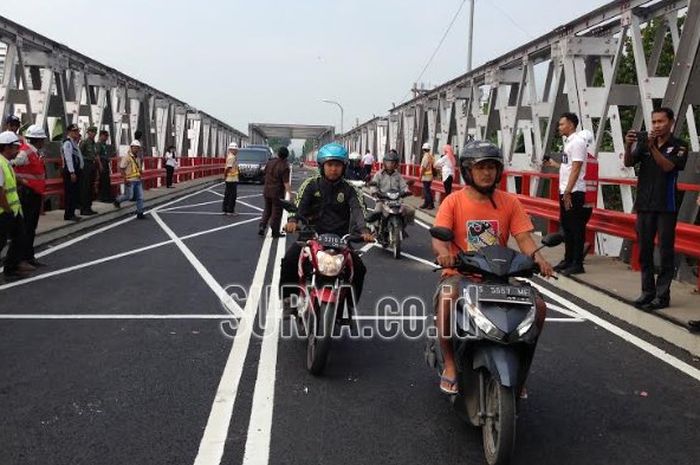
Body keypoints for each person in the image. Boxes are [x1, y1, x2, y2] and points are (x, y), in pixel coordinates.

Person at [432, 140, 554, 394]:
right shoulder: (453, 202)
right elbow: (439, 238)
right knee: (446, 298)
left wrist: (539, 259)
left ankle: (521, 371)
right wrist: (444, 255)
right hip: (461, 274)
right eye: (481, 167)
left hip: (499, 276)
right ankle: (451, 364)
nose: (487, 172)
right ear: (467, 170)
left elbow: (523, 238)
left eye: (492, 167)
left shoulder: (509, 202)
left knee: (539, 307)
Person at [281, 142, 373, 313]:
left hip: (340, 239)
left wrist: (365, 230)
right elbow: (299, 204)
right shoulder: (310, 185)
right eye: (330, 165)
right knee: (289, 260)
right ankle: (288, 299)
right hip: (310, 236)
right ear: (322, 166)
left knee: (359, 268)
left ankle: (350, 305)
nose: (333, 169)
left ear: (344, 167)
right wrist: (293, 221)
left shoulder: (350, 189)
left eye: (337, 165)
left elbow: (359, 210)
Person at [624, 107, 688, 311]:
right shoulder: (644, 143)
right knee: (644, 249)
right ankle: (647, 291)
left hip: (666, 205)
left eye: (661, 121)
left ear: (671, 122)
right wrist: (628, 146)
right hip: (644, 204)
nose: (657, 125)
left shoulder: (679, 145)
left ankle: (662, 296)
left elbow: (668, 167)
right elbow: (628, 162)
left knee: (666, 251)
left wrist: (652, 148)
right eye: (654, 122)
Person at [545, 113, 588, 276]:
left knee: (575, 228)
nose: (559, 127)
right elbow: (568, 166)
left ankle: (577, 263)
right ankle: (568, 259)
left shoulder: (577, 142)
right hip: (566, 190)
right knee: (567, 228)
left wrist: (568, 191)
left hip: (574, 191)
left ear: (571, 125)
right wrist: (554, 164)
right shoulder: (569, 142)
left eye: (562, 124)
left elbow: (576, 168)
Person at [0, 131, 35, 280]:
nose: (18, 151)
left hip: (13, 210)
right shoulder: (0, 164)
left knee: (20, 238)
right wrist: (7, 209)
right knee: (1, 242)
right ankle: (10, 269)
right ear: (7, 147)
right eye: (15, 147)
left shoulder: (6, 163)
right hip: (4, 211)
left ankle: (11, 268)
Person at [14, 124, 47, 267]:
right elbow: (11, 165)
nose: (44, 142)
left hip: (34, 192)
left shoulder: (33, 152)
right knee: (27, 227)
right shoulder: (25, 152)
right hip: (27, 193)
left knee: (31, 227)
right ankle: (23, 258)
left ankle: (28, 256)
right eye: (42, 139)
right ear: (38, 140)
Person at [369, 151, 415, 237]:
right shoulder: (379, 174)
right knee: (377, 211)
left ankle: (401, 228)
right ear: (384, 163)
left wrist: (407, 191)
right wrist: (374, 191)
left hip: (396, 200)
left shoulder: (398, 175)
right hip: (382, 199)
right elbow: (373, 185)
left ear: (396, 164)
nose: (390, 164)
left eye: (393, 162)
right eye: (388, 162)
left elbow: (404, 185)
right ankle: (374, 229)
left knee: (410, 211)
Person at [260, 146, 291, 237]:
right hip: (277, 192)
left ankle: (262, 226)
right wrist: (289, 193)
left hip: (267, 190)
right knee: (276, 212)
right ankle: (275, 231)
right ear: (286, 156)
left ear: (278, 153)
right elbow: (285, 182)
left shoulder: (270, 162)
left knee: (267, 210)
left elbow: (264, 173)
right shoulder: (285, 166)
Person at [113, 140, 146, 219]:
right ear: (131, 148)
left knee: (140, 197)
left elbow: (138, 168)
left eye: (138, 148)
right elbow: (122, 168)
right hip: (130, 180)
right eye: (135, 148)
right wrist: (125, 179)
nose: (136, 149)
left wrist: (140, 172)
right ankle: (117, 200)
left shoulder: (137, 158)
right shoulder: (126, 157)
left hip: (137, 180)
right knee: (129, 196)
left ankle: (140, 213)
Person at [61, 124, 84, 221]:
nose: (77, 133)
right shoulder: (68, 143)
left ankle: (72, 212)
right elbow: (68, 159)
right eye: (75, 131)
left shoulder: (73, 143)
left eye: (77, 131)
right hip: (70, 171)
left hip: (75, 171)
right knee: (70, 193)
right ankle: (69, 214)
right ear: (69, 132)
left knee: (74, 193)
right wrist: (72, 172)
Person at [78, 126, 100, 216]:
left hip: (92, 165)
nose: (93, 134)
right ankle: (84, 208)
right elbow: (80, 154)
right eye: (91, 132)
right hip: (86, 165)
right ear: (88, 132)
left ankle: (89, 207)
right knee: (85, 187)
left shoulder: (93, 143)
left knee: (91, 187)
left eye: (94, 132)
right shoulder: (84, 142)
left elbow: (95, 154)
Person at [96, 130, 114, 202]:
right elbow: (97, 155)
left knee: (107, 180)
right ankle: (103, 197)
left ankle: (108, 196)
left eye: (107, 136)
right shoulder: (98, 144)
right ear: (101, 136)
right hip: (102, 163)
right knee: (103, 180)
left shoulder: (104, 144)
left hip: (105, 162)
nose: (106, 138)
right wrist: (100, 164)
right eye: (105, 136)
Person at [222, 143, 239, 216]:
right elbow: (228, 168)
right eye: (235, 150)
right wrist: (225, 176)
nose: (236, 151)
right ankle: (230, 210)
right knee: (232, 195)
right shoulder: (232, 157)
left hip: (231, 178)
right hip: (231, 179)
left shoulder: (230, 156)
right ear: (231, 150)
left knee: (227, 194)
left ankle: (225, 209)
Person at [419, 142, 435, 210]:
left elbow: (424, 167)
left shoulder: (425, 157)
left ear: (423, 149)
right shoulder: (431, 156)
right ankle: (426, 204)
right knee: (427, 190)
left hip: (426, 176)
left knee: (426, 191)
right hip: (430, 176)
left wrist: (420, 176)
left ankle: (431, 204)